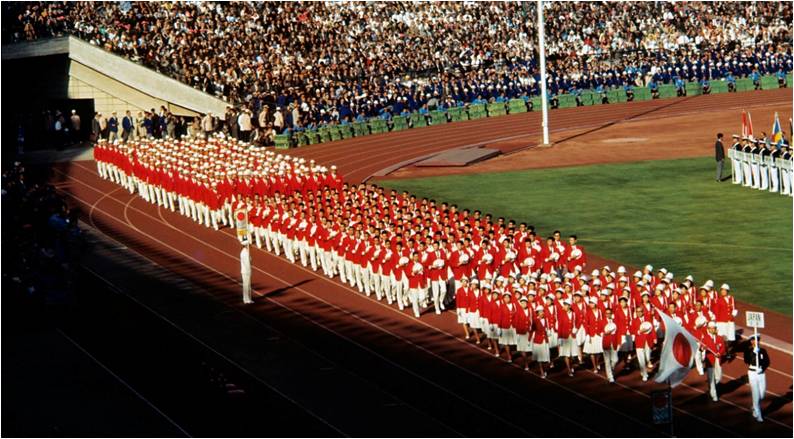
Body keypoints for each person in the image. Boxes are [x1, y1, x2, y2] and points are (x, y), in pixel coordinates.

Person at [744, 334, 770, 422]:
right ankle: (758, 414)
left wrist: (762, 368)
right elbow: (747, 360)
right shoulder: (748, 351)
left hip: (761, 372)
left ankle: (755, 406)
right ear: (751, 341)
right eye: (755, 340)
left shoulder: (763, 351)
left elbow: (767, 362)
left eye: (758, 340)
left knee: (762, 394)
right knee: (756, 393)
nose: (757, 342)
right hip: (752, 373)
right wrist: (754, 353)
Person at [700, 321, 726, 402]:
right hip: (710, 361)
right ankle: (714, 394)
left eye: (713, 328)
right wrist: (703, 348)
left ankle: (712, 386)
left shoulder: (719, 338)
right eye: (710, 329)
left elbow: (723, 348)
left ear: (715, 329)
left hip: (718, 360)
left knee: (718, 377)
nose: (712, 330)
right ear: (708, 329)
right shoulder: (705, 338)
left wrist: (719, 353)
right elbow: (701, 348)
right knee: (711, 378)